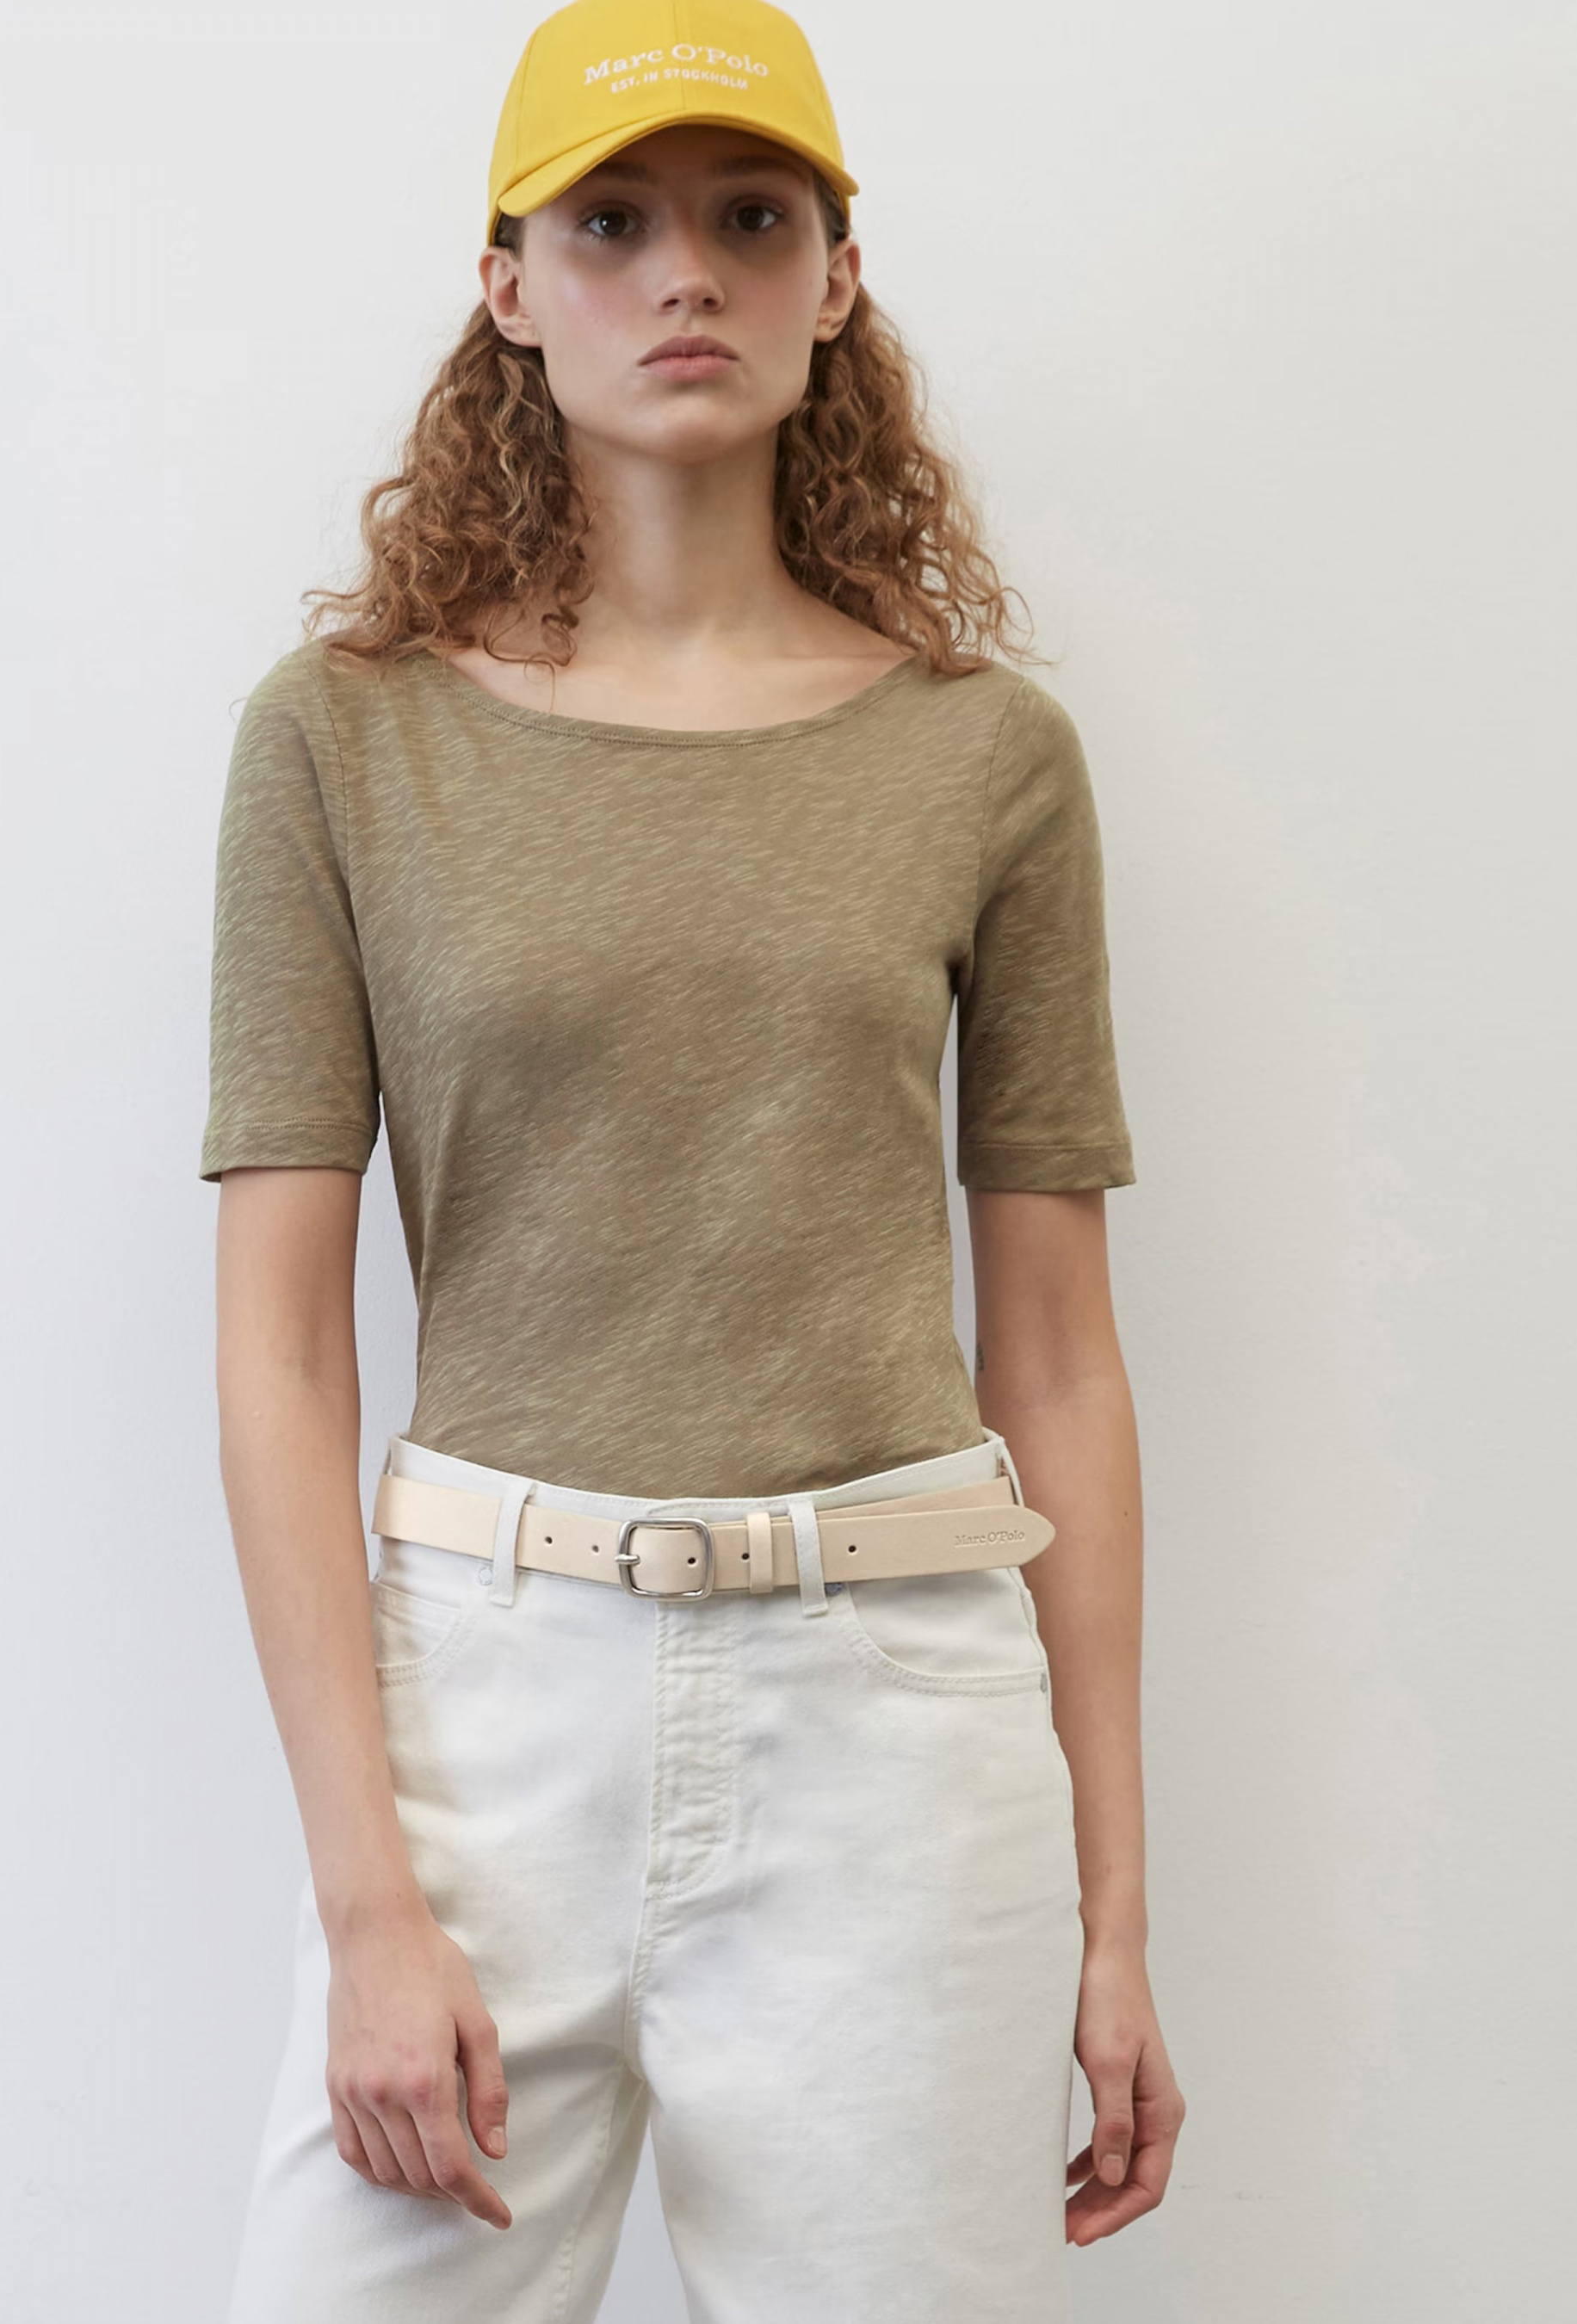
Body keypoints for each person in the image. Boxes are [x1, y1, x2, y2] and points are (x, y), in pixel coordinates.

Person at [200, 2, 1185, 2315]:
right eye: (611, 223)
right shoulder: (343, 743)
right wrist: (367, 1896)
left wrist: (1115, 1913)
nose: (685, 274)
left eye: (751, 219)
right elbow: (279, 1356)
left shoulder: (983, 759)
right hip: (486, 1701)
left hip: (895, 1717)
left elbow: (1058, 1355)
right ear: (507, 282)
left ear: (836, 280)